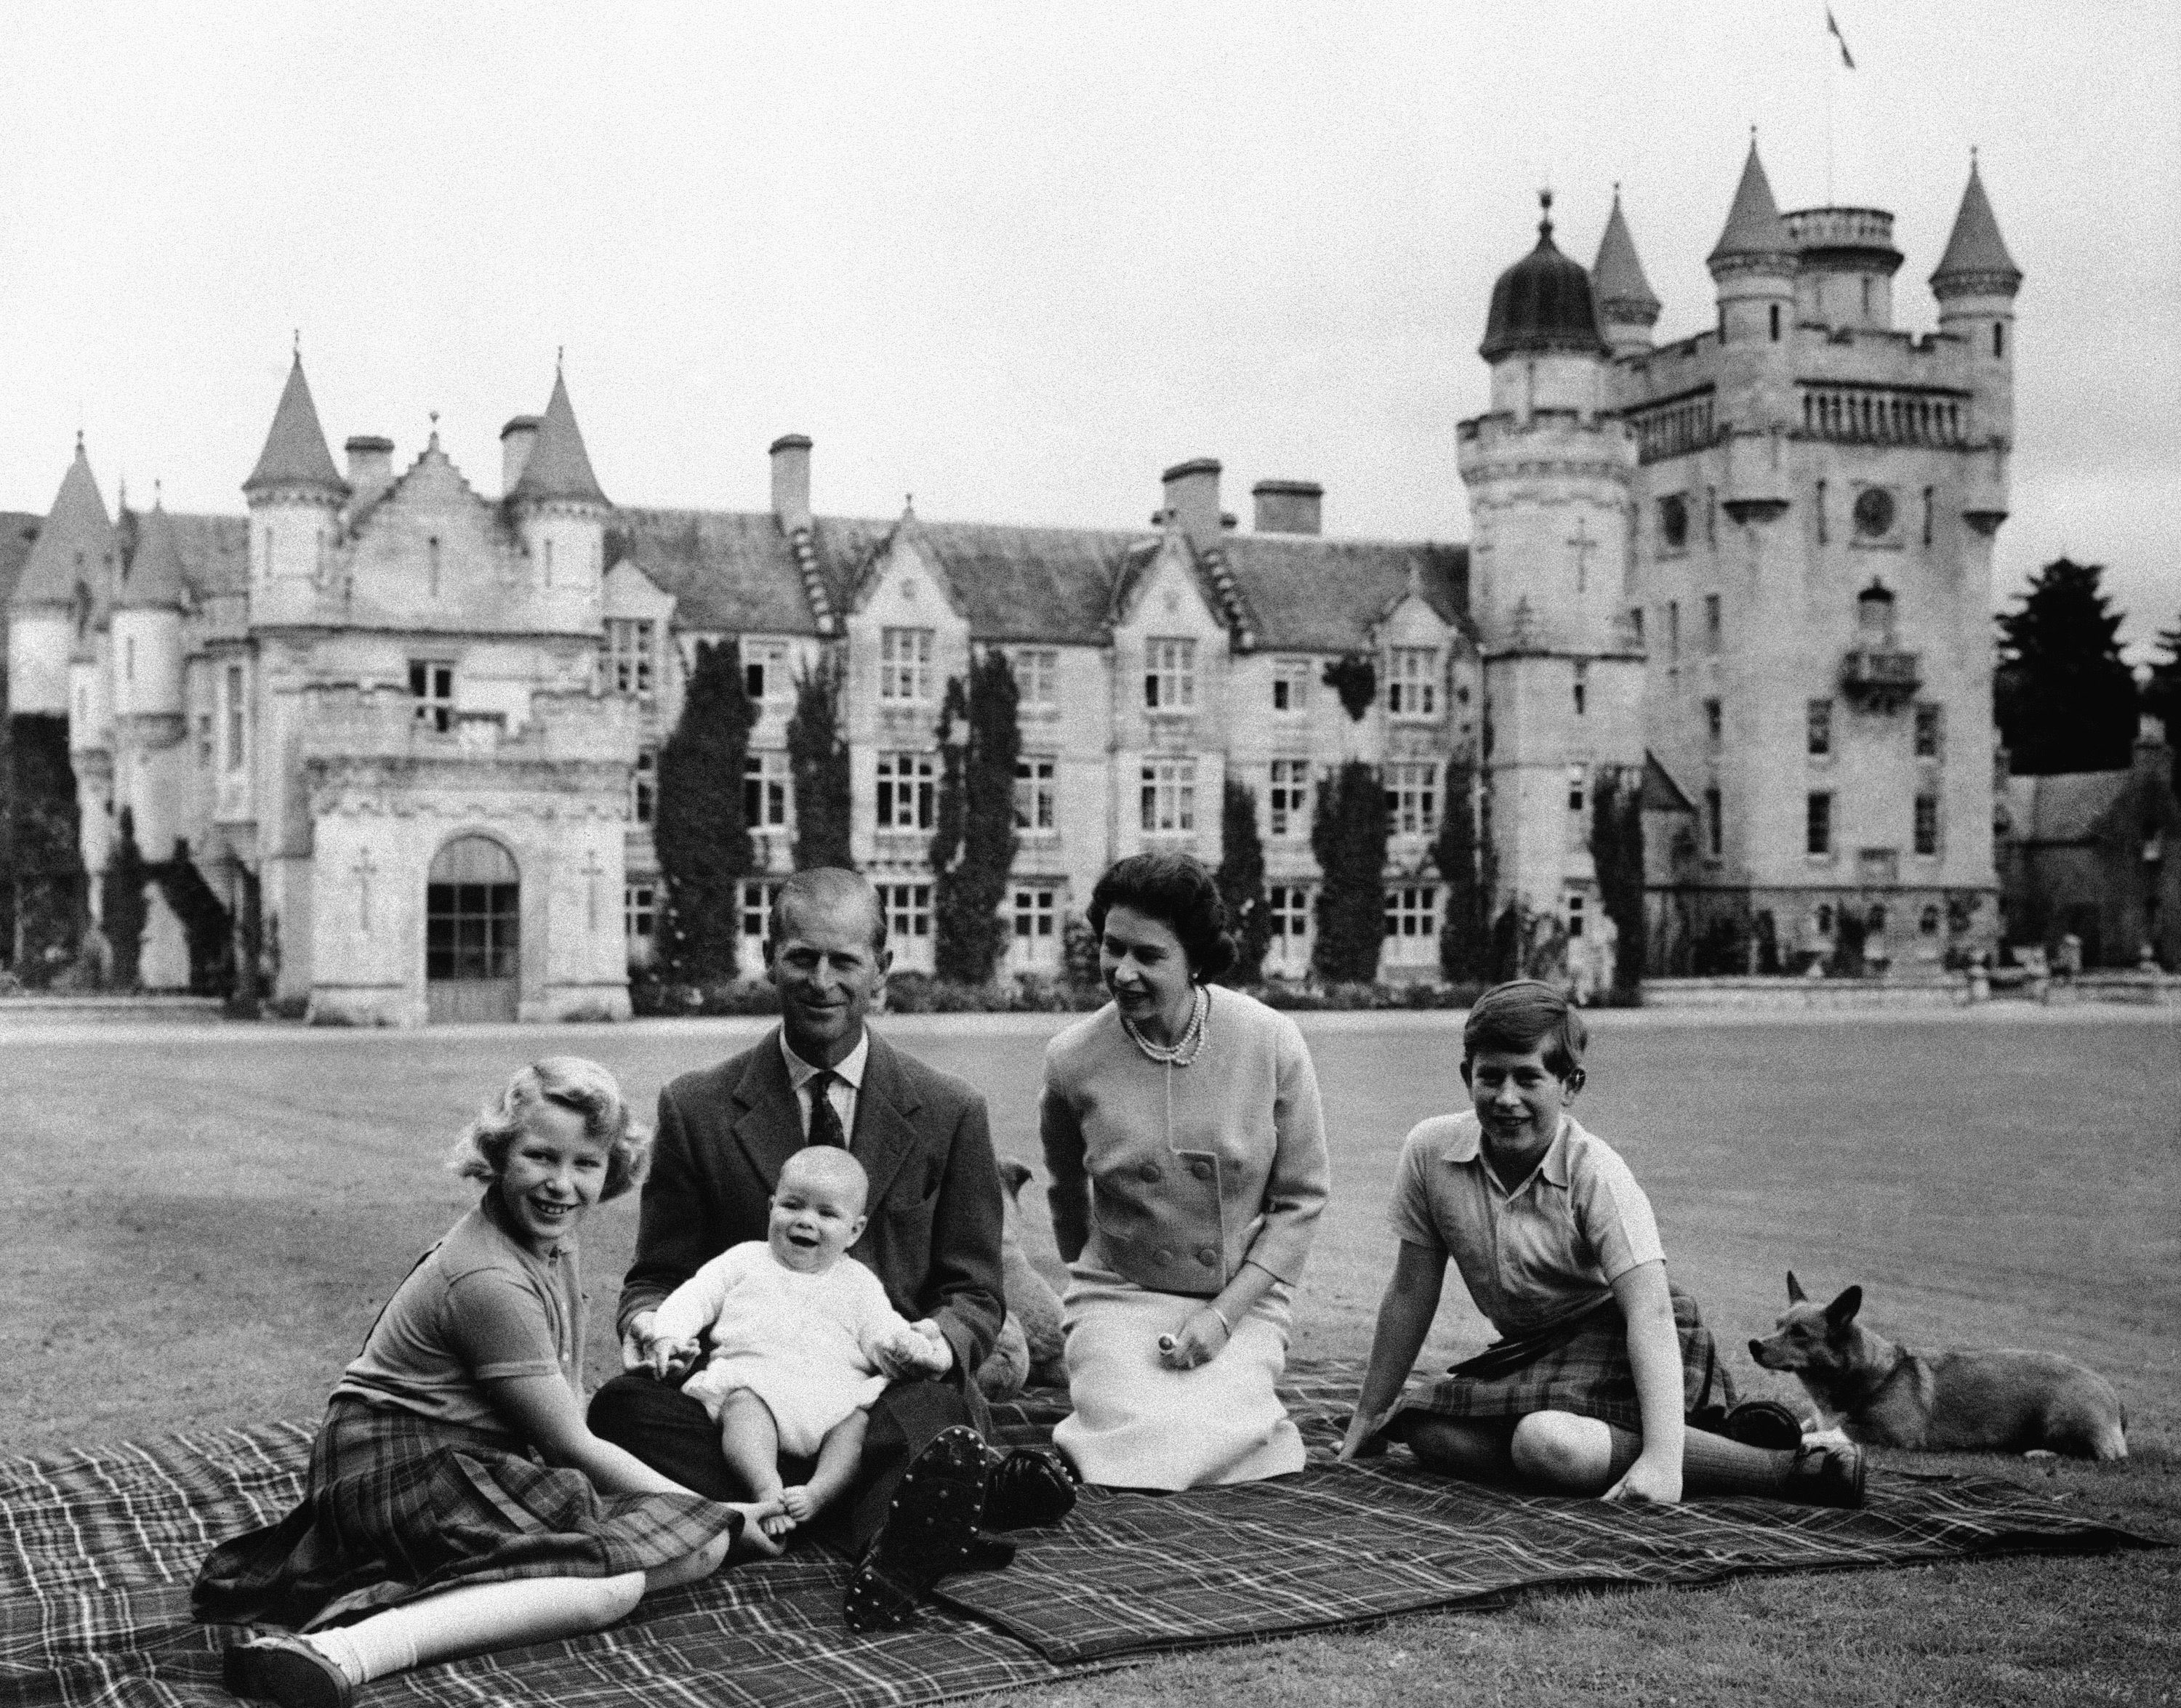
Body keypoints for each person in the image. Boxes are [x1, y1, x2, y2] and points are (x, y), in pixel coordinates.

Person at [196, 1059, 779, 1708]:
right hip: (394, 1466)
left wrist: (700, 1521)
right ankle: (343, 1650)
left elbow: (566, 1408)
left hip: (463, 1460)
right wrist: (722, 1512)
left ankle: (426, 1597)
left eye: (586, 1163)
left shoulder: (549, 1238)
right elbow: (572, 1448)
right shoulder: (487, 1278)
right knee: (620, 1578)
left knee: (686, 1549)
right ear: (498, 1154)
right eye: (539, 1157)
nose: (562, 1185)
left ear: (611, 1169)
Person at [587, 869, 1076, 1632]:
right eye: (802, 957)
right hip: (743, 1409)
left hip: (878, 1405)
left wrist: (934, 1344)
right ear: (768, 956)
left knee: (938, 1406)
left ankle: (831, 1521)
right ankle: (905, 1511)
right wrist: (653, 1328)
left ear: (881, 968)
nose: (822, 982)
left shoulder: (949, 1110)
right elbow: (658, 1275)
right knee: (621, 1409)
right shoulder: (698, 1105)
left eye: (845, 961)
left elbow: (976, 1293)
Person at [1335, 981, 1866, 1508]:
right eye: (1490, 1077)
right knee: (1424, 1428)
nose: (1506, 1098)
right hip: (1532, 1351)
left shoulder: (1597, 1172)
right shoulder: (1430, 1152)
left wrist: (1661, 1462)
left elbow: (1651, 1312)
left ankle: (1790, 1466)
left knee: (1548, 1442)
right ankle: (1713, 1442)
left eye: (1528, 1078)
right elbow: (1410, 1292)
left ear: (1570, 1086)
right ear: (1465, 1077)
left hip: (1629, 1335)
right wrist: (1367, 1416)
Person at [1040, 852, 1330, 1489]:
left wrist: (1224, 1316)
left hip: (1240, 1298)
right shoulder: (1071, 1059)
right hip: (1119, 1291)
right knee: (1130, 1421)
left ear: (1195, 959)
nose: (1123, 973)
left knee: (1216, 1428)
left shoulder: (1271, 1042)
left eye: (1149, 956)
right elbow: (1067, 1196)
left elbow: (1301, 1201)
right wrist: (1104, 1291)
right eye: (1112, 949)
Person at [646, 1148, 950, 1538]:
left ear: (855, 1231)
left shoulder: (857, 1282)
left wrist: (909, 1347)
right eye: (792, 1205)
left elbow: (881, 1330)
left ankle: (820, 1493)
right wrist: (670, 1333)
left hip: (834, 1395)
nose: (806, 1221)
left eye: (827, 1214)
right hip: (758, 1381)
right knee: (742, 1409)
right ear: (771, 1207)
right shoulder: (744, 1261)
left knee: (857, 1424)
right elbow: (696, 1296)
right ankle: (766, 1489)